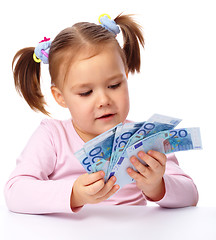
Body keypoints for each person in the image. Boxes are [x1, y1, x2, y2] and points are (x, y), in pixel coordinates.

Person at [4, 13, 198, 214]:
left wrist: (157, 185)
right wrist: (74, 194)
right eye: (86, 92)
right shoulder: (52, 137)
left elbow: (191, 195)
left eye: (114, 85)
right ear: (60, 96)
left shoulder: (145, 140)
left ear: (126, 77)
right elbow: (15, 192)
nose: (104, 100)